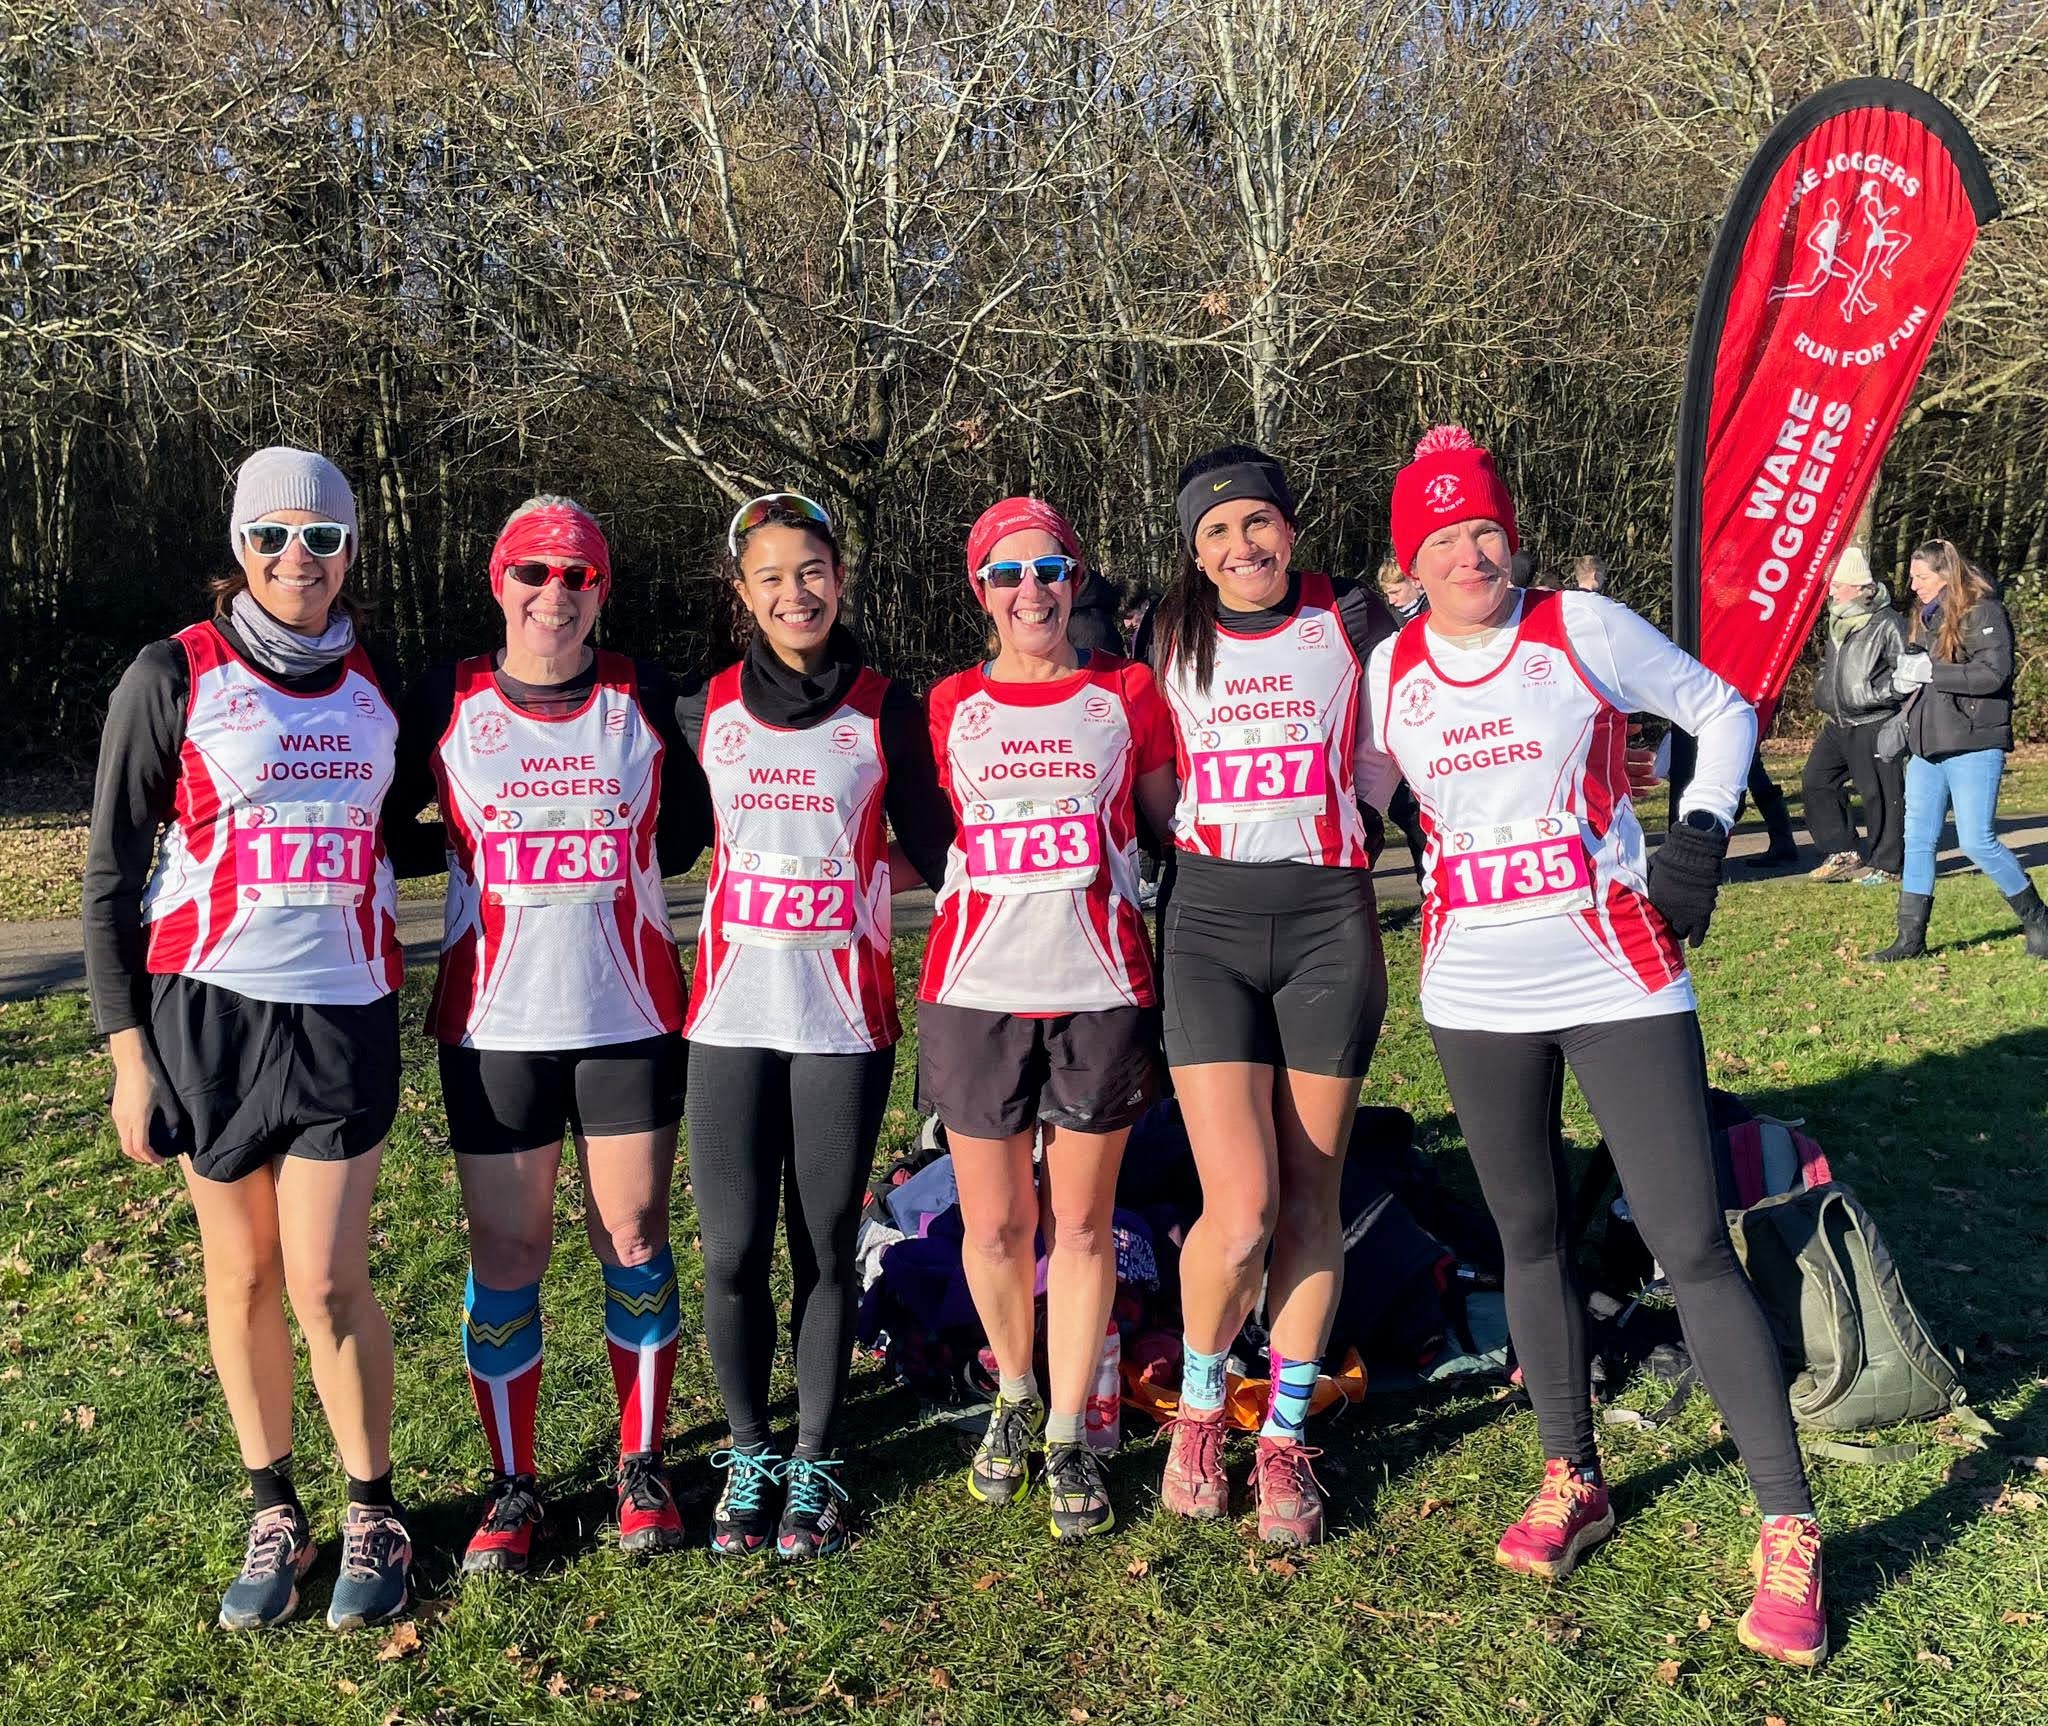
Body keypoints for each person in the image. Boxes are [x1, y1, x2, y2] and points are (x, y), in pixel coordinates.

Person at [1365, 425, 1827, 1668]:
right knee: (1526, 1236)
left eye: (1483, 529)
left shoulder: (1580, 625)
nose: (1470, 552)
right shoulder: (1387, 666)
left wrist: (1693, 836)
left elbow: (1718, 712)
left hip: (1615, 966)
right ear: (1407, 560)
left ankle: (1786, 1524)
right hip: (1472, 985)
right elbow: (1365, 789)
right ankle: (1572, 1471)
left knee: (1685, 1240)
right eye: (1441, 537)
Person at [84, 447, 420, 1630]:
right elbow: (111, 875)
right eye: (273, 536)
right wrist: (129, 1053)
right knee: (242, 1276)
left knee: (327, 1278)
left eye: (322, 539)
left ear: (349, 553)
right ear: (239, 548)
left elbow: (416, 821)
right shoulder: (171, 672)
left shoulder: (380, 679)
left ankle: (376, 1509)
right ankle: (274, 1505)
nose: (298, 559)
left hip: (341, 1012)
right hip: (205, 1014)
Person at [394, 495, 708, 1575]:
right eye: (534, 573)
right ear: (499, 581)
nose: (555, 596)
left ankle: (641, 1465)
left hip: (625, 1012)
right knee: (509, 1250)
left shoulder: (642, 689)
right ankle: (513, 1481)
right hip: (493, 1022)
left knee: (630, 1233)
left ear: (601, 589)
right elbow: (394, 820)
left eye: (577, 577)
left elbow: (687, 828)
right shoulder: (445, 692)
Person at [680, 492, 953, 1559]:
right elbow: (645, 833)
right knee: (733, 1250)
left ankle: (816, 1460)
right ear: (741, 593)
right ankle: (750, 1451)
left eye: (812, 571)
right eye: (771, 576)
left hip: (841, 1019)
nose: (795, 592)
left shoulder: (888, 707)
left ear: (840, 578)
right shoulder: (703, 707)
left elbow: (948, 850)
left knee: (824, 1249)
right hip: (728, 1018)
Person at [1151, 445, 1398, 1545]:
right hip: (1205, 925)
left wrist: (1373, 817)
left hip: (1325, 928)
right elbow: (1132, 755)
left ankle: (1284, 1434)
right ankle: (1200, 1408)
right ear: (1193, 552)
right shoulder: (1162, 633)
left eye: (1256, 524)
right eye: (1214, 533)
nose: (1239, 547)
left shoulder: (1349, 621)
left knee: (1310, 1195)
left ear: (1289, 528)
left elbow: (1410, 723)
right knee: (1238, 1206)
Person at [922, 495, 1178, 1541]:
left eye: (1050, 567)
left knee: (1078, 1223)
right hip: (976, 990)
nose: (1031, 587)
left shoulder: (1127, 693)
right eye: (1007, 571)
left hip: (1100, 991)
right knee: (992, 1223)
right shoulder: (947, 703)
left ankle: (1070, 1426)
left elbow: (1171, 829)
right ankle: (1015, 1393)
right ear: (980, 590)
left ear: (1077, 580)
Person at [1869, 538, 2047, 961]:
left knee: (1977, 840)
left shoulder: (1984, 611)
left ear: (1947, 574)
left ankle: (2037, 917)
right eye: (1912, 577)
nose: (1913, 585)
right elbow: (1927, 679)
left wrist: (1933, 672)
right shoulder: (1925, 618)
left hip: (1973, 742)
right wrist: (1905, 681)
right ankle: (1910, 940)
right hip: (1927, 745)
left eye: (1922, 577)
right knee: (1918, 842)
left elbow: (1993, 675)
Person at [1802, 548, 1905, 885]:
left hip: (1873, 720)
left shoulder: (1888, 622)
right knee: (1817, 780)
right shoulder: (1837, 620)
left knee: (1878, 793)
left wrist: (1877, 695)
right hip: (1838, 722)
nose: (1831, 591)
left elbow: (1907, 671)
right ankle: (1842, 850)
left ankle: (1887, 864)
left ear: (1860, 587)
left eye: (1838, 585)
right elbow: (1830, 666)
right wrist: (1823, 686)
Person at [1374, 556, 1429, 882]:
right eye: (1387, 593)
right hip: (1406, 717)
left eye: (1396, 591)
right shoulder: (1389, 622)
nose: (1391, 599)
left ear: (1414, 582)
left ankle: (1431, 887)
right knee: (1406, 813)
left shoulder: (1438, 613)